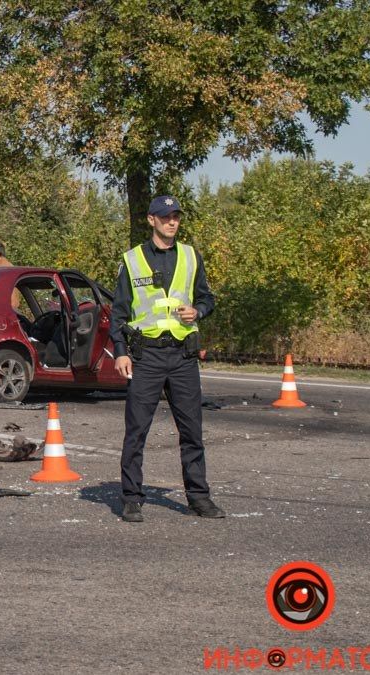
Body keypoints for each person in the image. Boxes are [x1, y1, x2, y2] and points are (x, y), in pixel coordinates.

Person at [109, 195, 224, 523]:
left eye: (175, 216)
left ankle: (199, 498)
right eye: (165, 216)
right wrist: (120, 352)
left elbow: (207, 298)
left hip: (183, 355)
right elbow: (117, 313)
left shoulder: (190, 256)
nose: (172, 221)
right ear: (151, 220)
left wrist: (198, 310)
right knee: (136, 431)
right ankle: (132, 498)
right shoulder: (132, 261)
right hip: (147, 356)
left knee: (192, 431)